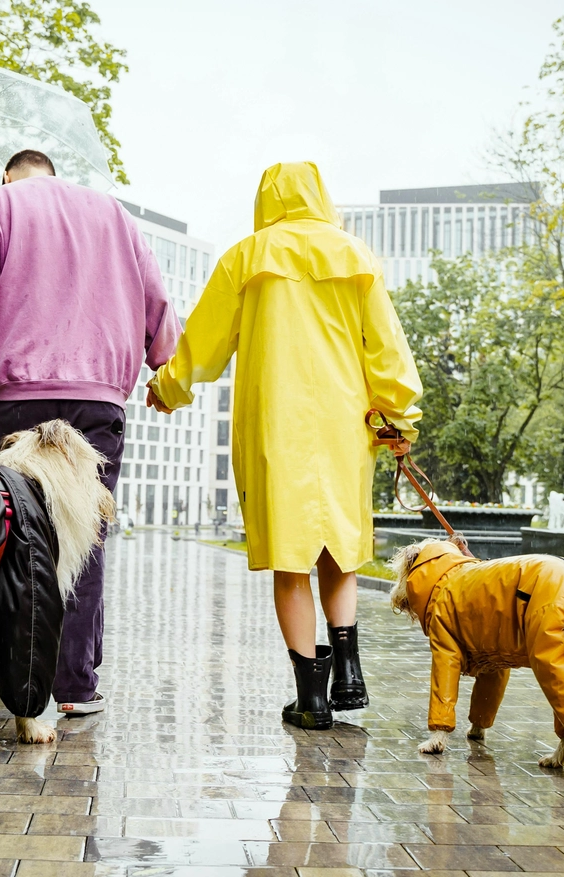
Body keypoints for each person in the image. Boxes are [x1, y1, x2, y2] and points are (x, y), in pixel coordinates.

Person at [146, 161, 422, 730]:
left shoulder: (246, 258)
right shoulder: (356, 256)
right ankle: (348, 670)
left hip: (277, 423)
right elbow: (387, 349)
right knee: (339, 548)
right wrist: (398, 418)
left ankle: (311, 699)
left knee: (291, 557)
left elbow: (203, 342)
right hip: (345, 424)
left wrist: (168, 388)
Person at [0, 148, 179, 717]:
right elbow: (157, 303)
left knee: (9, 537)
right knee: (84, 537)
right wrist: (162, 363)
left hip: (20, 403)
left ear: (8, 176)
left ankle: (18, 683)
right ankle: (72, 686)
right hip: (98, 401)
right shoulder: (114, 215)